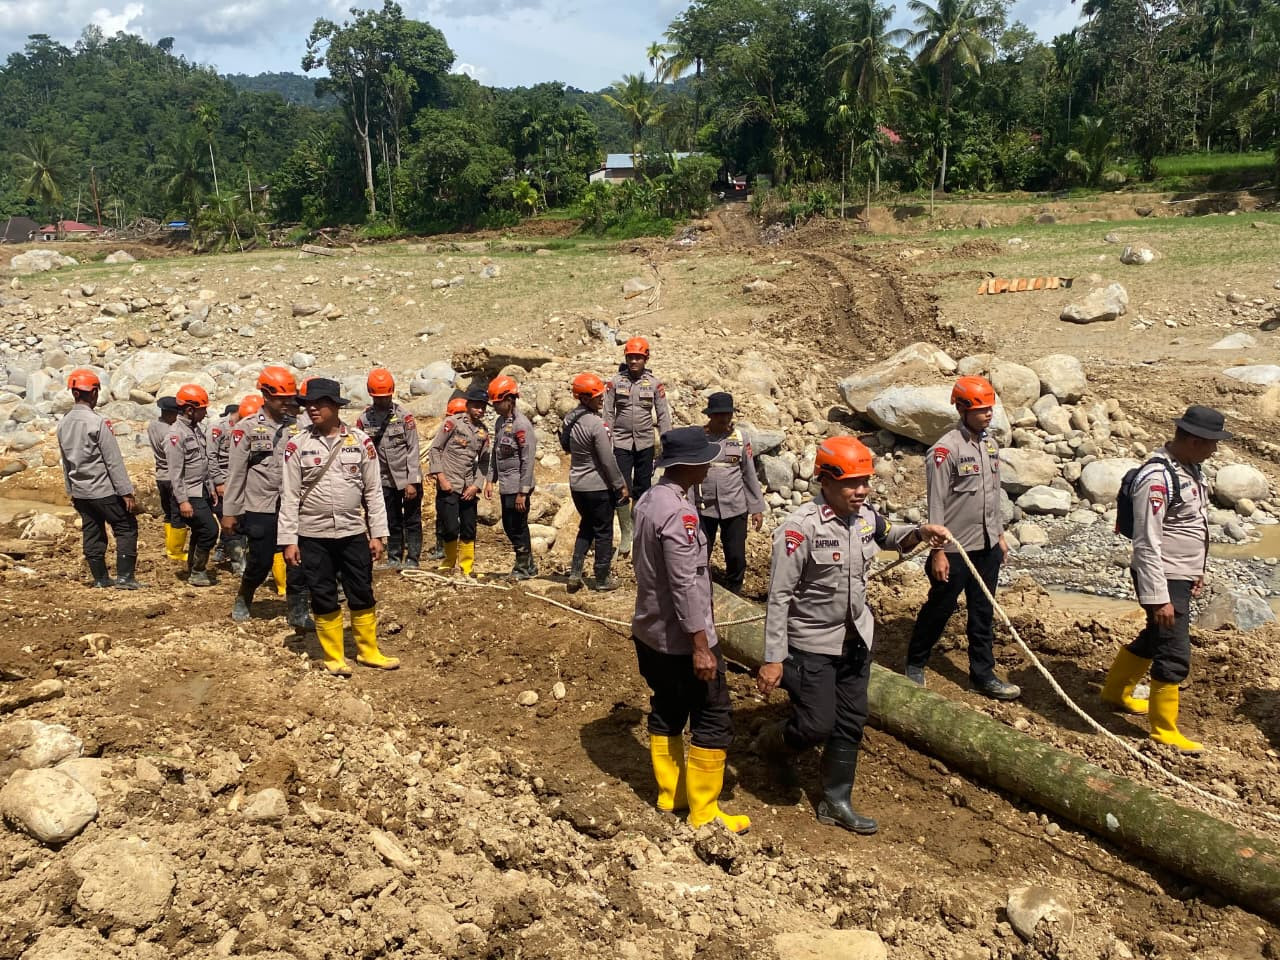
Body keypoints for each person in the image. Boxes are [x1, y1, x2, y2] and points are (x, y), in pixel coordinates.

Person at [756, 436, 950, 835]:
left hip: (856, 639)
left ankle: (836, 800)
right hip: (811, 644)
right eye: (851, 483)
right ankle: (771, 744)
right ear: (825, 481)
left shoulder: (864, 518)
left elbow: (891, 536)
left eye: (865, 482)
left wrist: (920, 532)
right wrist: (773, 658)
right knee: (816, 724)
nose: (861, 490)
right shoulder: (799, 530)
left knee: (851, 718)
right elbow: (779, 598)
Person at [632, 426, 749, 833]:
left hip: (650, 630)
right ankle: (704, 811)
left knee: (667, 706)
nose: (709, 465)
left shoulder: (649, 499)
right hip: (683, 639)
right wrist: (701, 646)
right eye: (704, 460)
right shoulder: (679, 514)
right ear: (689, 465)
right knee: (713, 715)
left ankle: (672, 794)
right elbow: (684, 584)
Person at [1100, 405, 1227, 755]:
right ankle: (1164, 730)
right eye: (1212, 443)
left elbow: (1192, 525)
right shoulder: (1156, 478)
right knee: (1173, 651)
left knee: (1156, 636)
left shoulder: (1190, 468)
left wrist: (1196, 570)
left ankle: (1114, 693)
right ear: (1193, 440)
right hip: (1163, 577)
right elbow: (1147, 541)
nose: (1215, 449)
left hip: (1179, 574)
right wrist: (1159, 597)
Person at [905, 376, 1020, 701]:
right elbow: (936, 506)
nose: (988, 415)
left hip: (986, 547)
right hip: (955, 550)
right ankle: (915, 663)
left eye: (990, 409)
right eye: (981, 410)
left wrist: (999, 535)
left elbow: (992, 495)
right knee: (939, 608)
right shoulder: (945, 451)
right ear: (962, 409)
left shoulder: (990, 445)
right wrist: (938, 552)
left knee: (983, 613)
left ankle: (983, 674)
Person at [279, 378, 397, 676]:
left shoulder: (360, 441)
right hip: (312, 535)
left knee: (361, 591)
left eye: (319, 404)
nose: (312, 409)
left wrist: (378, 534)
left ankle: (368, 651)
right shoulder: (297, 445)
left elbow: (373, 492)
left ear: (335, 406)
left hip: (352, 532)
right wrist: (288, 540)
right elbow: (289, 496)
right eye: (308, 405)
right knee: (322, 593)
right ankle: (334, 656)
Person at [223, 365, 310, 626]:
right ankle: (245, 595)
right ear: (266, 395)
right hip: (260, 505)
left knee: (297, 559)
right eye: (281, 398)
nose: (287, 403)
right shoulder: (247, 428)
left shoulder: (299, 427)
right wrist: (230, 512)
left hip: (292, 506)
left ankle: (298, 611)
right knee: (260, 561)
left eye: (289, 397)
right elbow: (236, 473)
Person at [56, 368, 139, 589]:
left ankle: (100, 579)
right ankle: (125, 578)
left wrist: (71, 490)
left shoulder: (64, 423)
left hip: (81, 491)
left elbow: (65, 461)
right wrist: (125, 491)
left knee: (92, 531)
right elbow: (113, 460)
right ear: (94, 393)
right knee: (126, 527)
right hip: (103, 490)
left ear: (74, 393)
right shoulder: (97, 422)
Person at [603, 337, 672, 557]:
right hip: (621, 442)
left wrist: (667, 441)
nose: (634, 361)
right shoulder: (615, 382)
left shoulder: (654, 384)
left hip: (645, 443)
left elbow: (663, 414)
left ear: (646, 359)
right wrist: (606, 438)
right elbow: (608, 412)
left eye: (638, 358)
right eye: (630, 357)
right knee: (621, 485)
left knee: (643, 487)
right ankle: (626, 532)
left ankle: (638, 529)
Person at [563, 372, 629, 592]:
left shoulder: (569, 419)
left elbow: (566, 446)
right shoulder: (596, 424)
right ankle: (601, 578)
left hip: (577, 485)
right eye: (597, 396)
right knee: (603, 531)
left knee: (586, 526)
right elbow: (607, 459)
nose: (602, 398)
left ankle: (575, 572)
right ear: (584, 398)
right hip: (597, 486)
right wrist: (619, 484)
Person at [694, 392, 765, 594]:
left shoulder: (741, 438)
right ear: (710, 415)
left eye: (727, 414)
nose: (724, 419)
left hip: (735, 505)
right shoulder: (699, 438)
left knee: (735, 553)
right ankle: (699, 587)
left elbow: (749, 473)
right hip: (705, 506)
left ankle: (734, 588)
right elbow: (690, 472)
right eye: (719, 415)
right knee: (701, 549)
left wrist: (757, 508)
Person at [357, 368, 423, 569]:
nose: (383, 400)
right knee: (391, 520)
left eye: (386, 396)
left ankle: (413, 558)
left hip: (406, 478)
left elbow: (413, 449)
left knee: (412, 520)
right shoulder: (364, 419)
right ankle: (394, 557)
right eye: (378, 397)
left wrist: (412, 481)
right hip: (383, 479)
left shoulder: (404, 416)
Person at [428, 387, 491, 578]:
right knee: (450, 527)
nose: (480, 410)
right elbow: (435, 449)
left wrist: (476, 485)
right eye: (477, 406)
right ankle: (448, 563)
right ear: (468, 405)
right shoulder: (453, 423)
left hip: (468, 486)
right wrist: (441, 478)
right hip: (449, 484)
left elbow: (484, 461)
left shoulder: (483, 432)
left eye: (483, 407)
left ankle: (467, 567)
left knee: (469, 527)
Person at [484, 375, 538, 579]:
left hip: (518, 485)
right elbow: (496, 453)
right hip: (506, 485)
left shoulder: (521, 425)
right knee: (509, 524)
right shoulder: (500, 422)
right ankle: (528, 564)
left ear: (509, 400)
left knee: (517, 525)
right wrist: (490, 479)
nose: (494, 407)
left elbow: (528, 460)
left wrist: (523, 492)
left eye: (497, 402)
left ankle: (523, 566)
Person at [164, 384, 219, 587]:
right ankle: (197, 570)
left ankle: (194, 569)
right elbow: (175, 473)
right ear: (189, 410)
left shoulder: (195, 430)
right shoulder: (176, 434)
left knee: (200, 530)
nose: (205, 414)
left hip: (201, 490)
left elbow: (203, 462)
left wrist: (211, 487)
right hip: (189, 493)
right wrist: (183, 501)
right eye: (202, 409)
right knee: (210, 530)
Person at [147, 395, 186, 563]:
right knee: (177, 514)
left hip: (160, 476)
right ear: (171, 413)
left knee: (168, 513)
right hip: (172, 476)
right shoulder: (170, 432)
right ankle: (175, 551)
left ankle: (170, 547)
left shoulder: (153, 426)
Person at [430, 396, 469, 561]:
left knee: (462, 519)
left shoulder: (470, 432)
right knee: (444, 516)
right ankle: (442, 547)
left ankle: (456, 550)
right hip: (446, 479)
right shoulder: (446, 430)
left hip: (462, 480)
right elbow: (435, 450)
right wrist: (439, 475)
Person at [208, 402, 243, 570]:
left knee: (239, 519)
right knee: (228, 517)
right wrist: (218, 482)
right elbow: (211, 457)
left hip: (239, 480)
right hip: (223, 481)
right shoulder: (218, 427)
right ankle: (238, 563)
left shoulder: (247, 427)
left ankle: (223, 548)